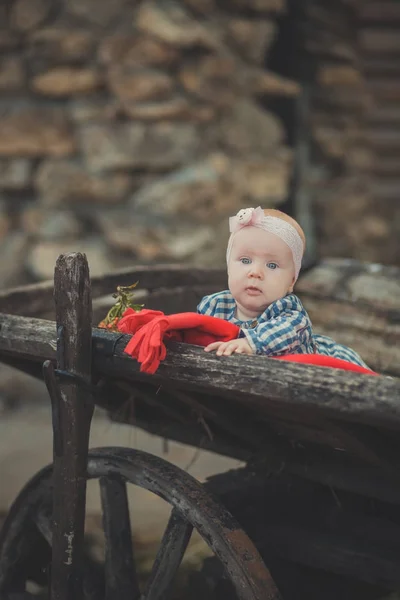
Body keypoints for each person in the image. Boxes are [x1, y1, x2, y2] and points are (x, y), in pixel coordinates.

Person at [197, 206, 369, 368]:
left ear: (291, 281)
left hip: (322, 364)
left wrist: (250, 343)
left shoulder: (290, 313)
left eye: (272, 265)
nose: (255, 272)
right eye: (245, 261)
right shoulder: (215, 305)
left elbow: (285, 332)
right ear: (229, 268)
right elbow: (196, 333)